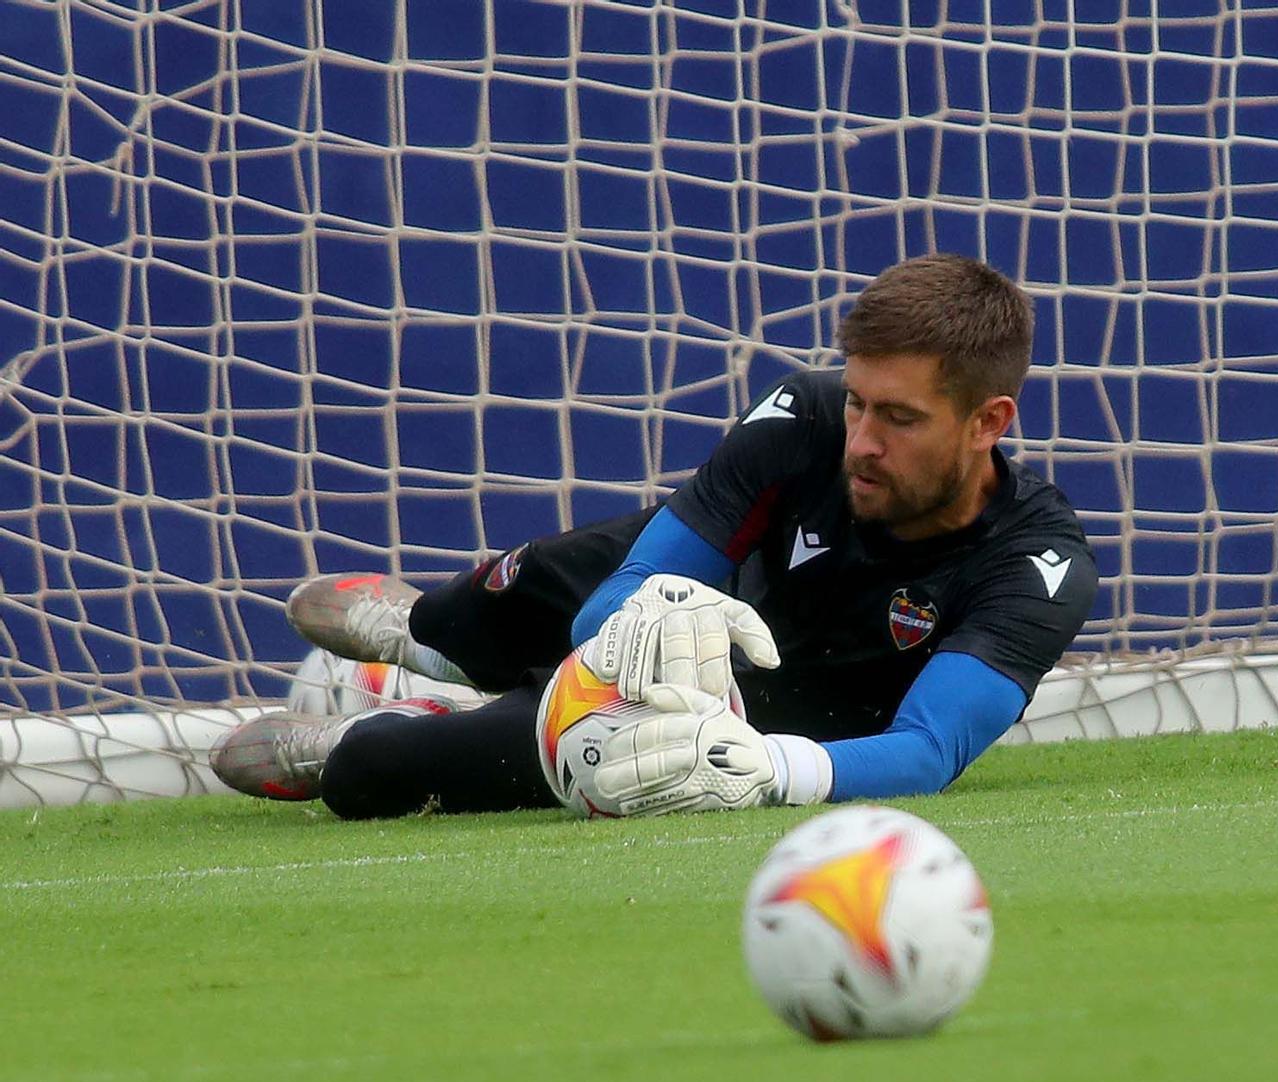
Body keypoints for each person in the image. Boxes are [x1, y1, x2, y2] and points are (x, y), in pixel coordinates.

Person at [210, 254, 1098, 818]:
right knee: (510, 595)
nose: (861, 442)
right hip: (704, 591)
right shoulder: (805, 418)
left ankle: (386, 726)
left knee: (377, 773)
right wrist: (646, 620)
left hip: (760, 713)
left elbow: (931, 748)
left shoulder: (1036, 563)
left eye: (898, 418)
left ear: (990, 422)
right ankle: (424, 636)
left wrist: (764, 770)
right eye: (859, 401)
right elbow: (626, 591)